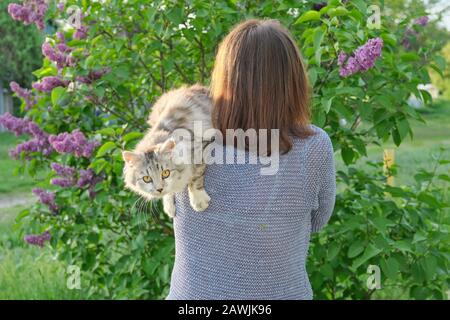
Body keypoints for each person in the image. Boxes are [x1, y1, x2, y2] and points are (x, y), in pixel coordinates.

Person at [166, 18, 336, 300]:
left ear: (224, 78)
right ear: (293, 81)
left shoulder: (185, 139)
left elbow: (164, 199)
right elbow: (318, 221)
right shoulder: (314, 147)